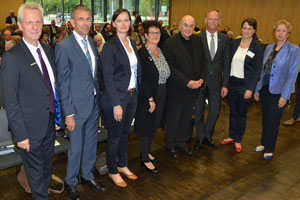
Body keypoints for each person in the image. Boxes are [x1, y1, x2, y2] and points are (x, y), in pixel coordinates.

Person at [1, 2, 61, 199]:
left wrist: (58, 116)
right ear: (19, 25)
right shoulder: (13, 57)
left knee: (45, 171)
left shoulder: (48, 49)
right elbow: (10, 100)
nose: (35, 26)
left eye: (38, 22)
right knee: (36, 178)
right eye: (29, 22)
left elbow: (52, 87)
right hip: (29, 130)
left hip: (49, 124)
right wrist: (21, 135)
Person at [55, 4, 106, 199]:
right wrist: (68, 113)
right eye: (81, 19)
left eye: (88, 19)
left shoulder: (92, 43)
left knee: (91, 143)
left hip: (93, 105)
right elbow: (63, 84)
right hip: (75, 108)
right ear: (72, 22)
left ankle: (87, 175)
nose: (86, 23)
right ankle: (71, 181)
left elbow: (93, 76)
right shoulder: (63, 47)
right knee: (75, 148)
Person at [101, 8, 141, 187]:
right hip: (116, 99)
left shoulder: (132, 43)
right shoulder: (110, 46)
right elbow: (107, 78)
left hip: (132, 96)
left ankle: (123, 164)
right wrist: (116, 103)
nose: (124, 24)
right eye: (120, 20)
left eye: (127, 20)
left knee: (125, 134)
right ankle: (112, 170)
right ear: (114, 24)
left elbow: (135, 71)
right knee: (115, 136)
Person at [254, 20, 300, 159]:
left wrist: (285, 96)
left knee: (273, 119)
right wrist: (257, 89)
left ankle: (269, 148)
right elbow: (262, 71)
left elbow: (292, 74)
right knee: (265, 118)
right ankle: (263, 143)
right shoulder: (269, 48)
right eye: (278, 30)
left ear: (288, 33)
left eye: (283, 31)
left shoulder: (294, 49)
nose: (280, 33)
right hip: (265, 88)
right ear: (274, 32)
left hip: (279, 91)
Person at [163, 15, 206, 159]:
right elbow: (171, 68)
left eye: (191, 26)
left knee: (186, 119)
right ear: (180, 26)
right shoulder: (169, 43)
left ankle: (181, 142)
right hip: (177, 89)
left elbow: (203, 62)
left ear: (195, 27)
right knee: (174, 119)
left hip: (194, 89)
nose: (188, 29)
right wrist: (187, 82)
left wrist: (201, 79)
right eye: (185, 25)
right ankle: (170, 146)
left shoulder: (198, 40)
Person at [220, 18, 263, 152]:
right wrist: (225, 84)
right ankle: (232, 135)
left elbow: (257, 70)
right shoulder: (234, 42)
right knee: (232, 112)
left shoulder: (257, 46)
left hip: (245, 84)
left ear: (254, 30)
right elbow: (227, 63)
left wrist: (251, 88)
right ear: (241, 29)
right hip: (232, 82)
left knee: (241, 114)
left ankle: (238, 139)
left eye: (250, 29)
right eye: (244, 28)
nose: (246, 31)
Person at [134, 20, 170, 173]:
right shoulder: (142, 53)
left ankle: (147, 151)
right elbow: (141, 79)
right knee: (146, 126)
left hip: (161, 91)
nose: (155, 35)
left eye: (158, 32)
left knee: (154, 124)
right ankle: (144, 158)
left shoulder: (160, 50)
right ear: (146, 35)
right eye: (152, 33)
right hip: (148, 95)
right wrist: (150, 99)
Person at [194, 10, 230, 150]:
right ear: (205, 20)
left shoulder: (225, 39)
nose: (213, 21)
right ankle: (201, 137)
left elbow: (226, 63)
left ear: (219, 21)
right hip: (200, 81)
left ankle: (207, 136)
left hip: (216, 82)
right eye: (210, 19)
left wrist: (225, 84)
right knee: (198, 111)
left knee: (215, 111)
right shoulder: (198, 38)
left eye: (216, 19)